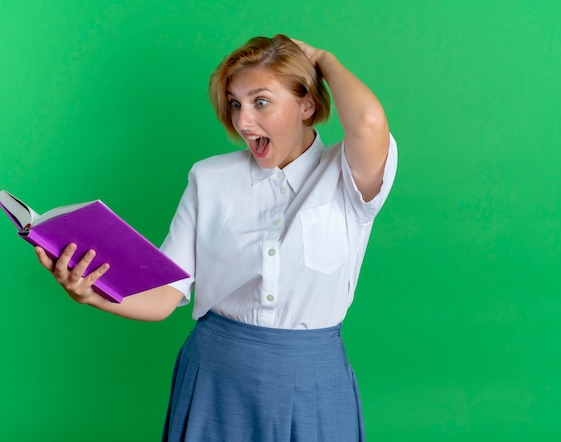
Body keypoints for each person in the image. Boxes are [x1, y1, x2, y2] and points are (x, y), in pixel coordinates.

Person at [36, 34, 398, 441]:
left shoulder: (347, 176)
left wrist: (322, 58)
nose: (243, 121)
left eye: (260, 101)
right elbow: (163, 296)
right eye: (235, 103)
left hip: (315, 380)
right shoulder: (208, 178)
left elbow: (368, 121)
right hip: (214, 374)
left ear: (306, 105)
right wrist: (88, 293)